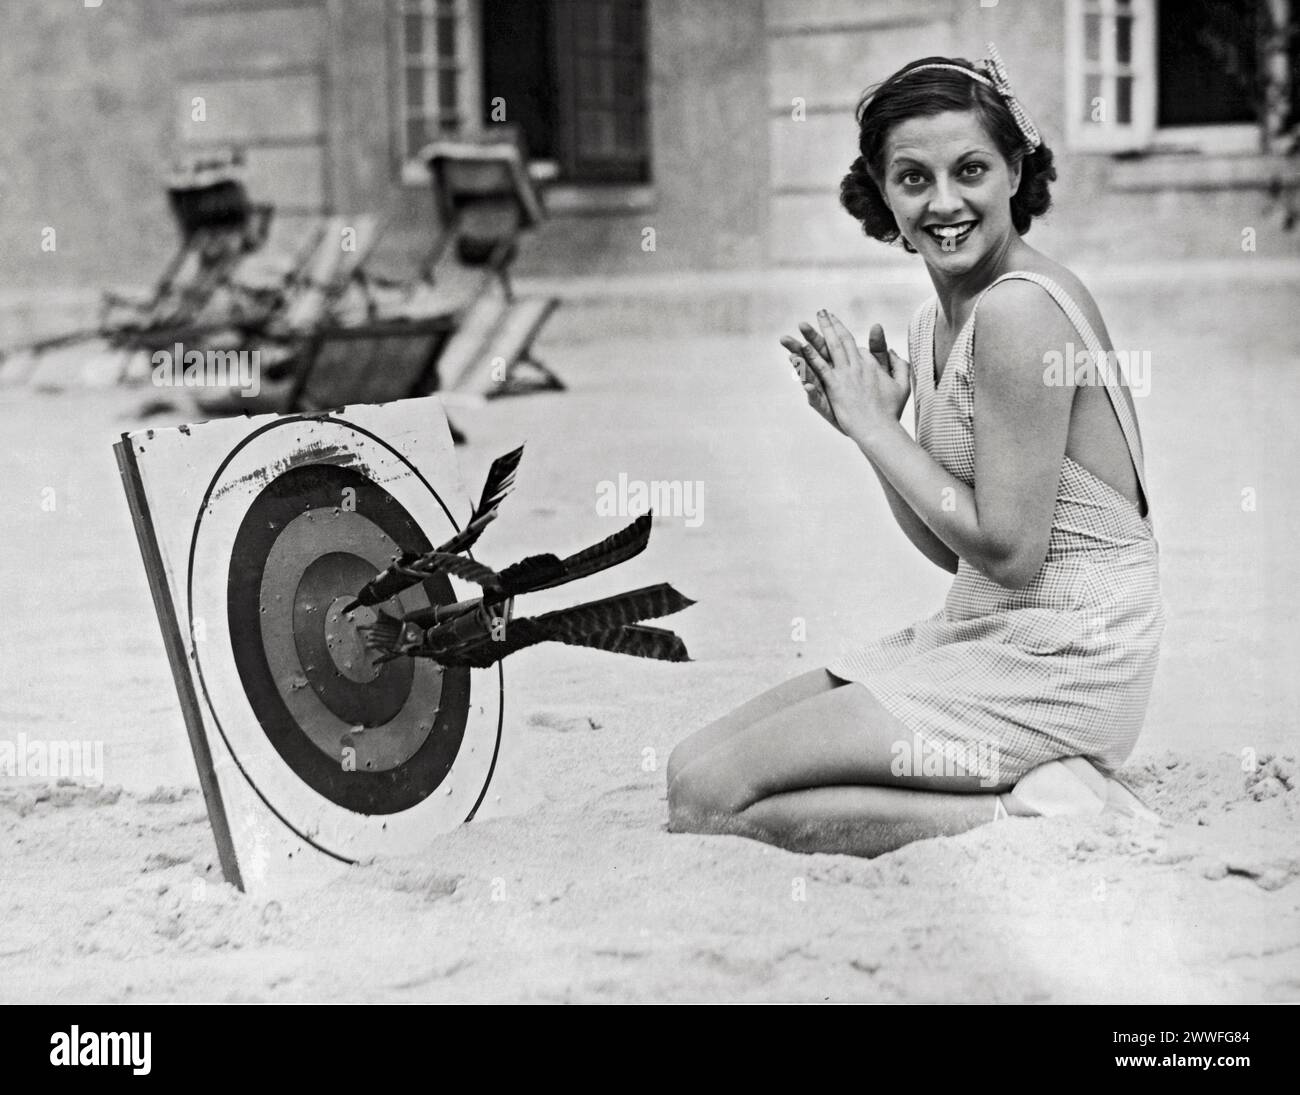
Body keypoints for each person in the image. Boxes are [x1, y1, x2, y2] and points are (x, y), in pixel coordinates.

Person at [667, 45, 1165, 857]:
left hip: (1068, 658)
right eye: (913, 179)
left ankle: (1045, 812)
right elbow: (953, 551)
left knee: (709, 796)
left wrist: (878, 428)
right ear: (883, 193)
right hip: (989, 631)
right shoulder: (939, 320)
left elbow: (1008, 551)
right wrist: (875, 431)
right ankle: (1035, 791)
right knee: (690, 766)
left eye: (970, 170)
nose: (944, 203)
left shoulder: (1019, 315)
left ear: (1014, 170)